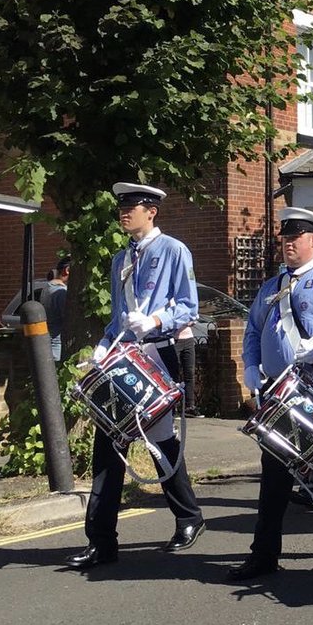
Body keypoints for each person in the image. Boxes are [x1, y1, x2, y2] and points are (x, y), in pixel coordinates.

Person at [66, 183, 205, 570]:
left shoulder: (174, 250)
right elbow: (118, 316)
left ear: (152, 211)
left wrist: (156, 319)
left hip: (158, 352)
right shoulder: (120, 259)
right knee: (108, 445)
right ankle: (101, 541)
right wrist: (103, 344)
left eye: (133, 206)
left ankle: (189, 516)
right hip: (125, 355)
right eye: (122, 207)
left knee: (160, 443)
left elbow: (188, 307)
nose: (124, 212)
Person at [228, 207, 313, 580]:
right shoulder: (272, 286)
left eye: (295, 238)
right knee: (274, 471)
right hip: (277, 387)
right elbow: (254, 330)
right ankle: (264, 554)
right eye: (284, 238)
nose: (287, 244)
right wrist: (250, 365)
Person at [44, 256, 70, 364]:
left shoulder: (47, 287)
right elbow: (67, 317)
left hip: (48, 340)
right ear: (67, 270)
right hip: (57, 344)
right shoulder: (61, 292)